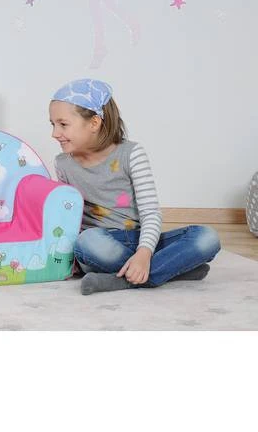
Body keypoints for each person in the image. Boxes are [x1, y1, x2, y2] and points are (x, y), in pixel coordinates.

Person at [50, 78, 221, 295]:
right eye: (52, 124)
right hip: (101, 245)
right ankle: (170, 270)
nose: (54, 133)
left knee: (207, 237)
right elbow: (68, 217)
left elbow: (151, 213)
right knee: (87, 241)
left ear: (94, 123)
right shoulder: (63, 164)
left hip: (140, 240)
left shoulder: (131, 154)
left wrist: (144, 253)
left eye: (63, 124)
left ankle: (124, 279)